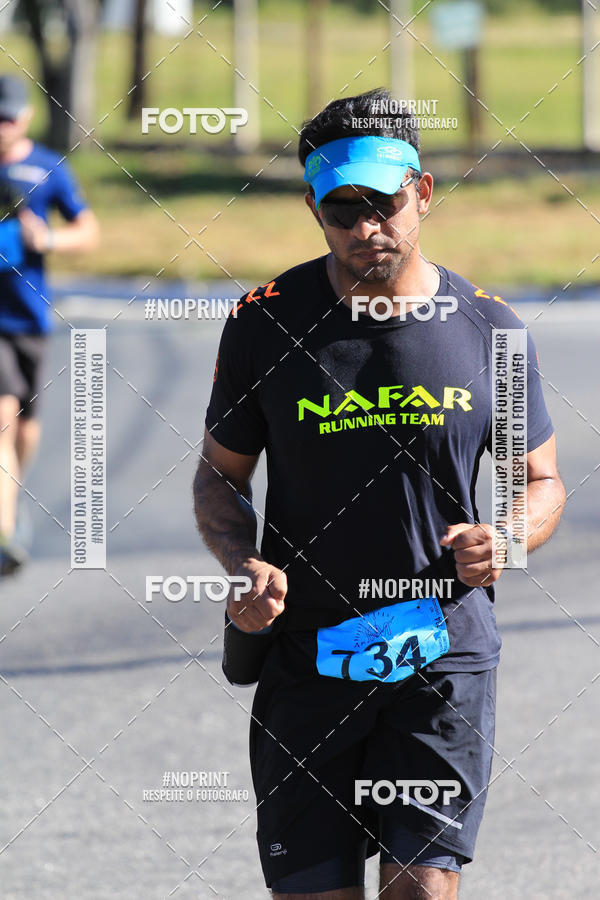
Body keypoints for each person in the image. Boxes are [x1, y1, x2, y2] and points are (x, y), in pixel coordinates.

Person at [194, 88, 565, 899]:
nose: (367, 228)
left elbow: (540, 481)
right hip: (309, 659)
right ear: (313, 210)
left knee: (420, 889)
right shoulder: (265, 323)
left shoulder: (490, 328)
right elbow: (220, 475)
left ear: (423, 193)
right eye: (342, 210)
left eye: (385, 204)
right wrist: (242, 563)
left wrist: (506, 538)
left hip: (441, 654)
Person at [0, 74, 98, 575]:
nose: (1, 126)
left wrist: (49, 243)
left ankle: (10, 496)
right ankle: (6, 530)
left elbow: (88, 229)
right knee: (2, 416)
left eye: (8, 117)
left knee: (24, 427)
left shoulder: (47, 168)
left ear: (26, 118)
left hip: (29, 315)